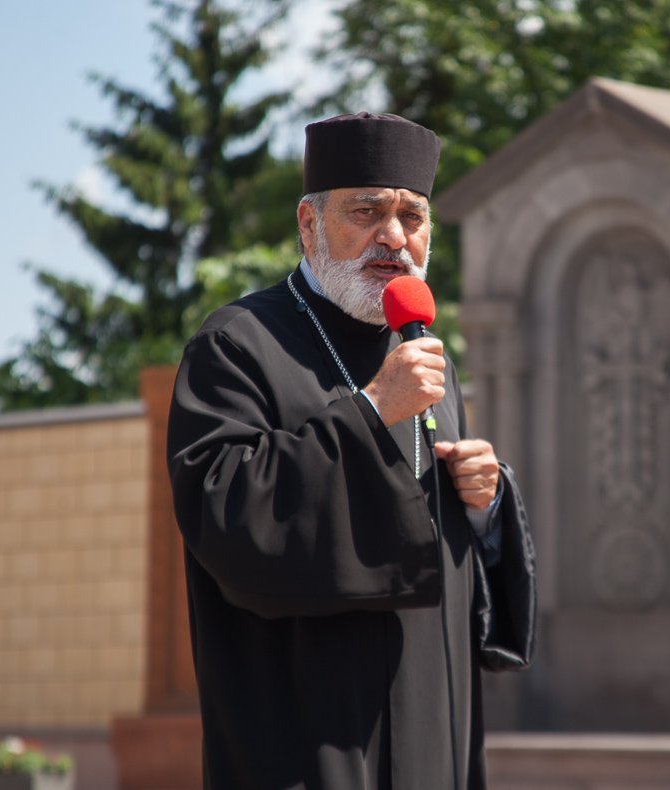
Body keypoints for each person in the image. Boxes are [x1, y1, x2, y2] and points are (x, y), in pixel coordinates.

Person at [165, 111, 536, 790]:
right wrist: (371, 412)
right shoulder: (237, 344)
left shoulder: (424, 355)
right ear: (310, 225)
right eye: (366, 211)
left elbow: (436, 544)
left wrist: (484, 506)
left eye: (412, 217)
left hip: (430, 714)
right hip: (307, 727)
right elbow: (226, 514)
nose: (393, 237)